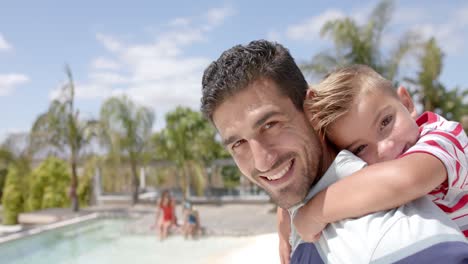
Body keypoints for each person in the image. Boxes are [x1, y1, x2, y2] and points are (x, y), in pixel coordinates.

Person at [201, 39, 468, 263]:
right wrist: (289, 217)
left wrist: (312, 213)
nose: (262, 161)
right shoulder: (322, 166)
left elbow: (407, 177)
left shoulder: (441, 140)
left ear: (311, 111)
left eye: (270, 125)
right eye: (238, 143)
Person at [291, 64, 468, 243]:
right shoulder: (370, 177)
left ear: (406, 103)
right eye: (360, 148)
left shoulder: (446, 137)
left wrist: (314, 212)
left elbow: (407, 178)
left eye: (385, 122)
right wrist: (286, 214)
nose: (385, 148)